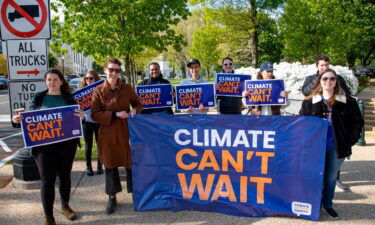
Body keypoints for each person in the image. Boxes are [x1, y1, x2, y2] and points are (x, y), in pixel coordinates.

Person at [12, 68, 84, 225]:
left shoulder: (69, 98)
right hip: (43, 147)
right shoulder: (38, 98)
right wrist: (17, 120)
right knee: (47, 179)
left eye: (55, 79)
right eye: (49, 80)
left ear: (61, 81)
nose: (52, 82)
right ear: (45, 81)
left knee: (65, 176)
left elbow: (77, 120)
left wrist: (82, 117)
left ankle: (65, 205)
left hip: (66, 145)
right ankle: (48, 216)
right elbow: (27, 120)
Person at [299, 68, 363, 218]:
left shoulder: (347, 101)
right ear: (320, 81)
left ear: (336, 82)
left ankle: (328, 205)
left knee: (330, 178)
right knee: (315, 177)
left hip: (337, 147)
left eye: (332, 79)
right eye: (325, 79)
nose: (328, 81)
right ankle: (315, 205)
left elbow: (357, 123)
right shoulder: (309, 102)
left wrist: (349, 140)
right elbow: (301, 123)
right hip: (315, 148)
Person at [91, 57, 142, 215]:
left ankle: (136, 195)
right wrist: (113, 114)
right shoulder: (98, 91)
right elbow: (94, 114)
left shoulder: (127, 88)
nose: (114, 73)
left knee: (130, 163)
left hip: (126, 130)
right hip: (108, 132)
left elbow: (138, 104)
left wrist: (133, 111)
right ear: (105, 70)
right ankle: (112, 198)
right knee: (110, 164)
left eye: (117, 70)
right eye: (111, 69)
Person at [302, 55, 351, 192]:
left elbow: (347, 94)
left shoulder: (336, 78)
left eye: (326, 65)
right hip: (316, 124)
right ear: (317, 66)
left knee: (335, 152)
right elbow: (305, 92)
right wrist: (319, 80)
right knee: (317, 158)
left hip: (334, 121)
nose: (324, 68)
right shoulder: (311, 79)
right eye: (322, 65)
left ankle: (336, 180)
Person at [80, 70, 103, 176]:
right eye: (86, 78)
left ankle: (100, 166)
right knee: (88, 145)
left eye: (91, 78)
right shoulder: (80, 92)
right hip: (87, 122)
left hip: (98, 121)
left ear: (96, 79)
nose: (88, 80)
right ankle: (88, 167)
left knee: (100, 145)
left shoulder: (101, 90)